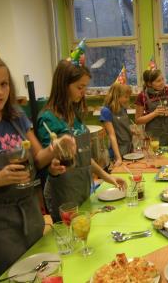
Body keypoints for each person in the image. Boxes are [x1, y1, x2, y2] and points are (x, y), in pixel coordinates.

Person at [0, 57, 67, 279]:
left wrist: (57, 148)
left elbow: (38, 158)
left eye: (4, 84)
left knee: (44, 272)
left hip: (31, 215)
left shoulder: (16, 117)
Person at [37, 59, 126, 222]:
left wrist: (107, 177)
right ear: (63, 85)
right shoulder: (48, 119)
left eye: (85, 86)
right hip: (64, 196)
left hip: (83, 190)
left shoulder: (73, 113)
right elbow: (46, 163)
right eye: (80, 87)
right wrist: (53, 166)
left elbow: (84, 157)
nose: (83, 92)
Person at [135, 69, 168, 146]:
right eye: (158, 81)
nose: (162, 83)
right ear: (149, 84)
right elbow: (138, 120)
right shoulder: (142, 96)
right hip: (153, 137)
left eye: (162, 79)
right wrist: (154, 113)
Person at [100, 82, 133, 166]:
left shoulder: (123, 108)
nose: (128, 99)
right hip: (117, 150)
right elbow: (112, 135)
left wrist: (132, 131)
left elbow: (123, 128)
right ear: (116, 96)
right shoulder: (106, 111)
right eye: (126, 97)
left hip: (128, 148)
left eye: (128, 97)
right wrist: (118, 158)